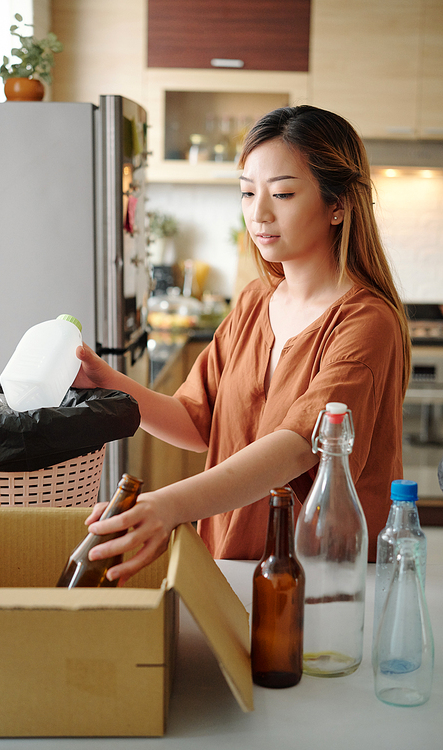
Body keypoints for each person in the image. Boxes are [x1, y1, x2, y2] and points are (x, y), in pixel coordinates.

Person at [74, 105, 411, 582]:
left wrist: (169, 505)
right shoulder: (256, 301)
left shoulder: (366, 321)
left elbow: (300, 446)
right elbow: (197, 421)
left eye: (283, 194)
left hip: (319, 580)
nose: (259, 213)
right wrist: (107, 382)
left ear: (338, 205)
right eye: (248, 193)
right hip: (230, 564)